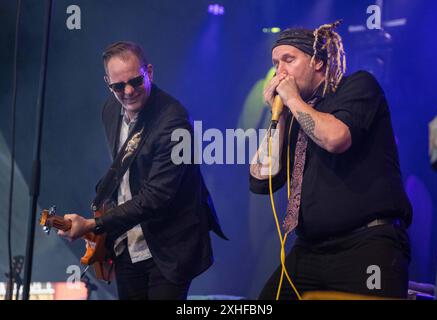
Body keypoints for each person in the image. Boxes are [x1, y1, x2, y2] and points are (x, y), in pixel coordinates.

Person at [249, 21, 412, 299]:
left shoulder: (358, 86)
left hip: (366, 244)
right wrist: (283, 115)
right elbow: (260, 179)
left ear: (318, 63)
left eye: (289, 60)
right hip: (311, 249)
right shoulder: (297, 113)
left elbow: (336, 139)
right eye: (276, 63)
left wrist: (292, 101)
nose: (280, 72)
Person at [58, 41, 227, 300]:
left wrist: (95, 224)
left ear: (149, 71)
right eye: (118, 86)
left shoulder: (173, 121)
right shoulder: (110, 110)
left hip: (169, 246)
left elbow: (156, 198)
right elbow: (124, 176)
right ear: (108, 83)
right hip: (129, 243)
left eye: (136, 81)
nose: (128, 91)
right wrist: (108, 238)